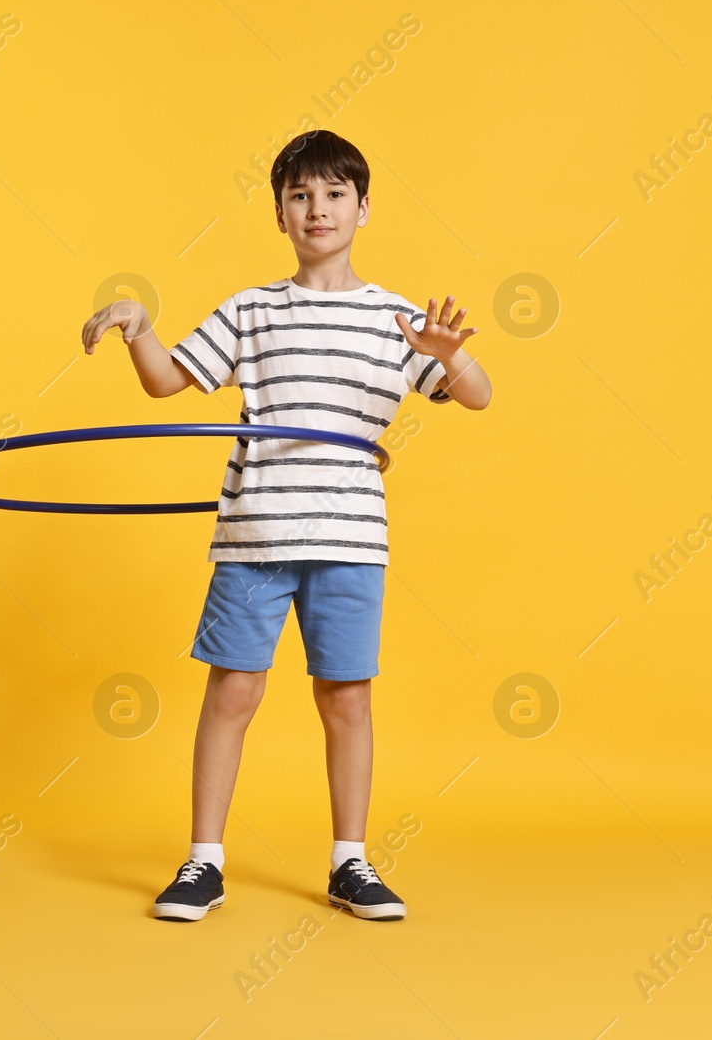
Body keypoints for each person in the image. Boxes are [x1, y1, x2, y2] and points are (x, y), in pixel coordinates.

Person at [80, 129, 491, 922]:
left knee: (347, 698)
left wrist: (450, 355)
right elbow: (168, 383)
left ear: (363, 209)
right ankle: (204, 863)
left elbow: (476, 396)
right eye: (300, 195)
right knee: (233, 690)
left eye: (335, 194)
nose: (318, 209)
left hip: (347, 541)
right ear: (279, 214)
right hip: (255, 538)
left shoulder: (397, 319)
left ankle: (351, 862)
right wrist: (138, 325)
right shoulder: (251, 310)